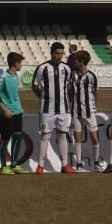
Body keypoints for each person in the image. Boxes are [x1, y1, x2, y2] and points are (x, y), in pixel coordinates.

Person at [32, 42, 74, 174]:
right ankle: (40, 166)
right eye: (57, 53)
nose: (59, 56)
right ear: (51, 53)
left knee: (62, 135)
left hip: (63, 109)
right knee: (45, 136)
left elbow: (69, 85)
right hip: (47, 109)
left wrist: (65, 97)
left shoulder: (67, 68)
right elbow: (35, 85)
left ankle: (65, 165)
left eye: (61, 53)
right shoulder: (42, 67)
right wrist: (42, 97)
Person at [0, 52, 29, 175]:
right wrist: (4, 109)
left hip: (17, 112)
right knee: (5, 139)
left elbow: (15, 95)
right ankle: (3, 167)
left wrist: (20, 107)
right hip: (7, 114)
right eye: (20, 63)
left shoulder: (16, 77)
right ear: (15, 63)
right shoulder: (4, 77)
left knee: (17, 138)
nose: (21, 66)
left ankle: (13, 164)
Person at [70, 50, 102, 173]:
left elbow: (96, 92)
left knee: (94, 137)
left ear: (82, 61)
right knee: (77, 138)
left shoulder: (91, 76)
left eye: (75, 60)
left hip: (89, 111)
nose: (73, 63)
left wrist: (94, 106)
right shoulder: (72, 74)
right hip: (75, 111)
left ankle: (96, 162)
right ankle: (78, 164)